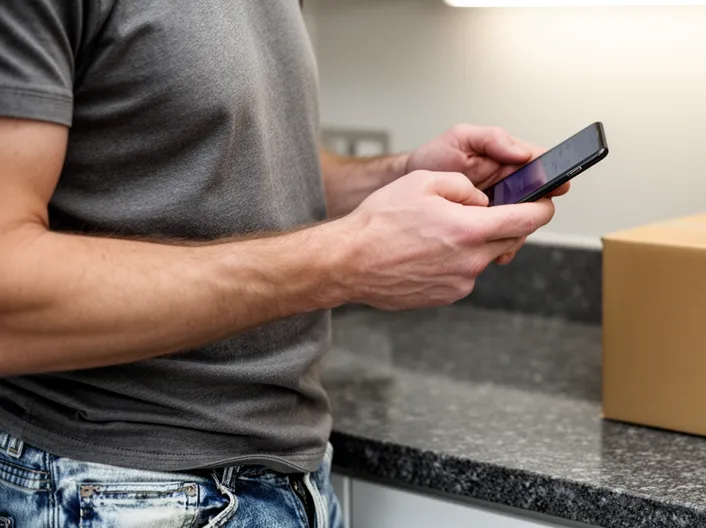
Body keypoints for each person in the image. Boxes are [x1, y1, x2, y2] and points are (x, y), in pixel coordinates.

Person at [0, 1, 567, 526]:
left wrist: (393, 176)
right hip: (115, 486)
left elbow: (232, 158)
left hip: (290, 480)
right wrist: (346, 259)